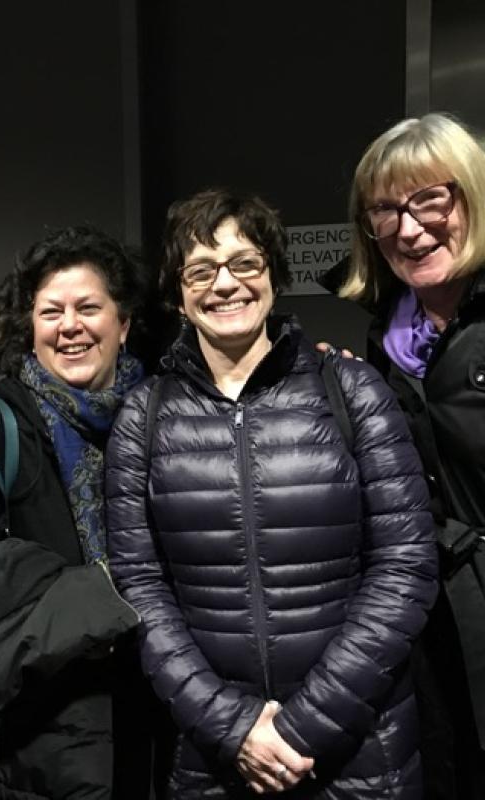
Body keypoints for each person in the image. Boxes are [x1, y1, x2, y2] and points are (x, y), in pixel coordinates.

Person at [105, 187, 439, 797]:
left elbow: (406, 565)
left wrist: (302, 727)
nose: (224, 284)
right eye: (200, 270)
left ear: (274, 275)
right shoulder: (143, 417)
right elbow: (137, 587)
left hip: (360, 744)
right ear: (178, 294)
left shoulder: (352, 391)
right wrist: (232, 726)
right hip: (215, 756)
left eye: (244, 263)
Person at [0, 225, 156, 797]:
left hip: (151, 725)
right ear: (29, 329)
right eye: (51, 311)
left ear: (122, 325)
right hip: (35, 744)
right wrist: (92, 600)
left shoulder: (161, 420)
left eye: (88, 307)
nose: (69, 325)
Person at [321, 112, 485, 799]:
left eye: (429, 200)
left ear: (471, 198)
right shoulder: (385, 342)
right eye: (385, 211)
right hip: (436, 618)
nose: (409, 229)